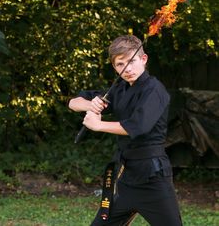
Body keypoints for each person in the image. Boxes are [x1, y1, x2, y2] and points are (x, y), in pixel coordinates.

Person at [68, 35, 183, 226]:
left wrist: (99, 125)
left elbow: (137, 126)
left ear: (143, 59)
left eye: (131, 61)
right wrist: (91, 104)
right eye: (120, 64)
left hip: (153, 178)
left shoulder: (155, 90)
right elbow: (73, 102)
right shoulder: (120, 89)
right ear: (115, 67)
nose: (127, 69)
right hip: (126, 178)